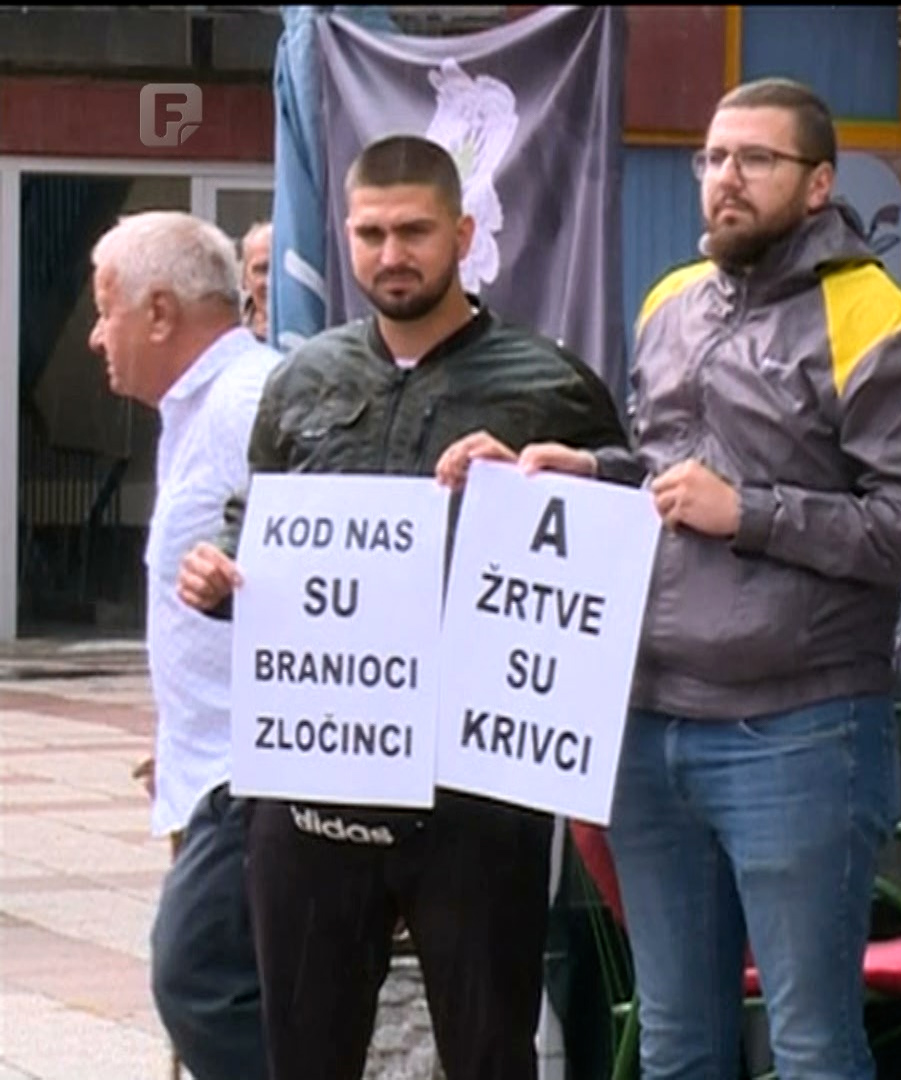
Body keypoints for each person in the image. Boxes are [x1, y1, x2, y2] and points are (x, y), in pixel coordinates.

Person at [439, 77, 901, 1080]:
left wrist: (753, 512)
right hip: (647, 721)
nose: (725, 179)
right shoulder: (671, 303)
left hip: (802, 727)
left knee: (812, 1042)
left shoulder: (886, 326)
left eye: (754, 160)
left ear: (818, 185)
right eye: (713, 158)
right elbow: (674, 474)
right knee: (678, 1040)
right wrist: (584, 469)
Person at [175, 134, 627, 1080]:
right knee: (305, 1049)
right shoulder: (301, 379)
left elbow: (621, 547)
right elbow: (259, 540)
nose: (392, 254)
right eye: (371, 233)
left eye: (414, 231)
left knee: (490, 1049)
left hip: (477, 787)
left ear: (462, 232)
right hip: (314, 778)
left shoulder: (548, 382)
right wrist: (221, 585)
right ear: (344, 237)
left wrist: (546, 481)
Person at [90, 210, 278, 1080]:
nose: (96, 336)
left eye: (107, 310)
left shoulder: (250, 403)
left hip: (259, 768)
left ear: (160, 312)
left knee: (195, 976)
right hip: (210, 763)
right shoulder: (192, 410)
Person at [240, 220, 272, 342]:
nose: (271, 282)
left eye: (280, 272)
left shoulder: (317, 332)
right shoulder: (227, 335)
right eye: (262, 270)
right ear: (244, 278)